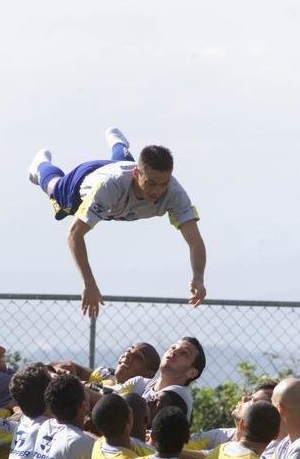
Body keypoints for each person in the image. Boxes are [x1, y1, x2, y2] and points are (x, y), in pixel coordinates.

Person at [28, 127, 207, 317]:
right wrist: (89, 283)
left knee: (122, 162)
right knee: (55, 189)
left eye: (163, 183)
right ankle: (40, 166)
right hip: (83, 185)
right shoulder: (109, 188)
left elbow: (195, 240)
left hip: (118, 172)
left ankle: (118, 143)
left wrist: (198, 277)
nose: (157, 191)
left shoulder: (174, 193)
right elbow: (74, 234)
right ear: (138, 174)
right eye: (151, 183)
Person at [114, 337, 206, 420]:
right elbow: (112, 400)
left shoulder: (179, 395)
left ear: (191, 373)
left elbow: (136, 418)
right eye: (173, 347)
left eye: (184, 353)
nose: (173, 352)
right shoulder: (139, 382)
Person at [52, 343, 160, 388]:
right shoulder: (107, 375)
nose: (127, 354)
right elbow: (70, 366)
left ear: (149, 374)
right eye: (127, 350)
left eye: (137, 356)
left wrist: (78, 385)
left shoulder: (139, 395)